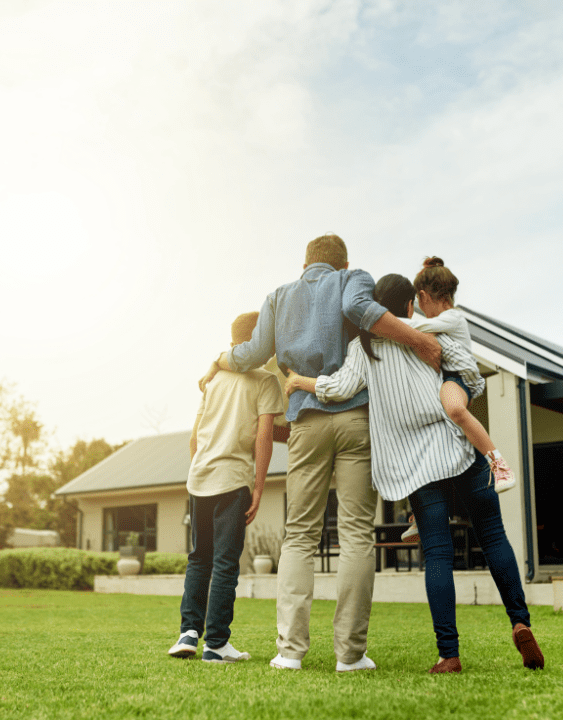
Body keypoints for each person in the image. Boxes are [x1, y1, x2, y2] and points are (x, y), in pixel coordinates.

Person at [199, 234, 441, 673]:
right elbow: (359, 311)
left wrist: (221, 358)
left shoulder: (278, 296)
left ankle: (290, 652)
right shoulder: (353, 278)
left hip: (305, 423)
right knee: (354, 535)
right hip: (355, 421)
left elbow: (254, 353)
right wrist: (419, 341)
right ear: (343, 262)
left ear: (305, 263)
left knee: (300, 536)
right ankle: (350, 655)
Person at [285, 272, 544, 675]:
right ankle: (520, 621)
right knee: (493, 535)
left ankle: (449, 654)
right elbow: (468, 374)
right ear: (410, 305)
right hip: (456, 447)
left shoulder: (362, 347)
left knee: (438, 553)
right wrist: (456, 388)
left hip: (415, 467)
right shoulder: (425, 332)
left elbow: (338, 388)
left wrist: (299, 381)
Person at [168, 311, 286, 663]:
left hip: (199, 479)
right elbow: (264, 437)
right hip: (232, 480)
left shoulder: (213, 380)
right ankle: (216, 643)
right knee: (224, 563)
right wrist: (259, 487)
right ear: (257, 342)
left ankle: (188, 633)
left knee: (198, 558)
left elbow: (193, 438)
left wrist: (199, 471)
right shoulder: (265, 381)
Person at [399, 257, 516, 544]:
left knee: (453, 409)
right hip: (442, 382)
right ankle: (417, 513)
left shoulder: (453, 317)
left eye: (419, 300)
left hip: (457, 380)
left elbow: (416, 330)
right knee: (434, 446)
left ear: (424, 296)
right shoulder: (439, 318)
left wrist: (384, 321)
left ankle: (498, 463)